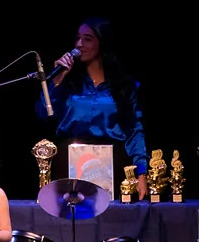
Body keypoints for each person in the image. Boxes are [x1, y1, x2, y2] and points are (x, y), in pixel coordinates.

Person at [37, 17, 148, 196]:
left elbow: (134, 129)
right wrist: (57, 81)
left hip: (112, 162)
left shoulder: (124, 86)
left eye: (87, 39)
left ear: (102, 44)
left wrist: (142, 171)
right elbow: (44, 113)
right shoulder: (67, 82)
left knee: (113, 220)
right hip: (70, 160)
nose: (79, 44)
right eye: (77, 38)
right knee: (74, 219)